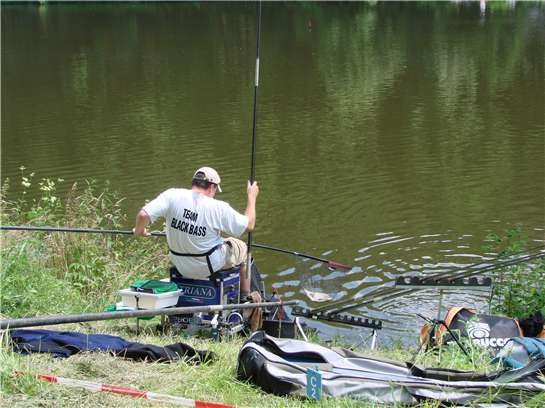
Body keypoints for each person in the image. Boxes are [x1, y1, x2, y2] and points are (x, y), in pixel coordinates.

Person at [134, 167, 259, 296]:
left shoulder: (172, 195)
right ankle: (246, 299)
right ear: (212, 187)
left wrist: (139, 230)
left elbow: (143, 215)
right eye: (215, 190)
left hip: (181, 265)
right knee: (243, 248)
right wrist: (252, 197)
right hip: (208, 265)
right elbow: (249, 225)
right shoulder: (218, 207)